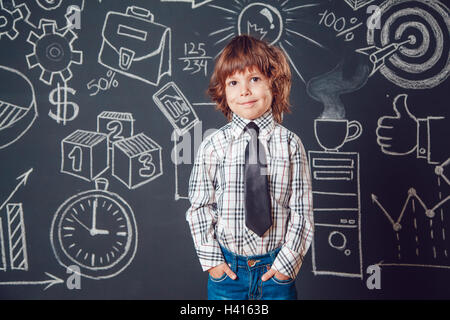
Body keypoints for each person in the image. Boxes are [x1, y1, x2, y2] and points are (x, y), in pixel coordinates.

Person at [186, 34, 313, 300]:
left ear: (274, 84)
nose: (244, 91)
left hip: (276, 270)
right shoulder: (213, 145)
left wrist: (285, 266)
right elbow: (200, 206)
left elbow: (301, 211)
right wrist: (214, 264)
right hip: (228, 274)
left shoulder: (291, 145)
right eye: (233, 82)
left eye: (254, 79)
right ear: (223, 91)